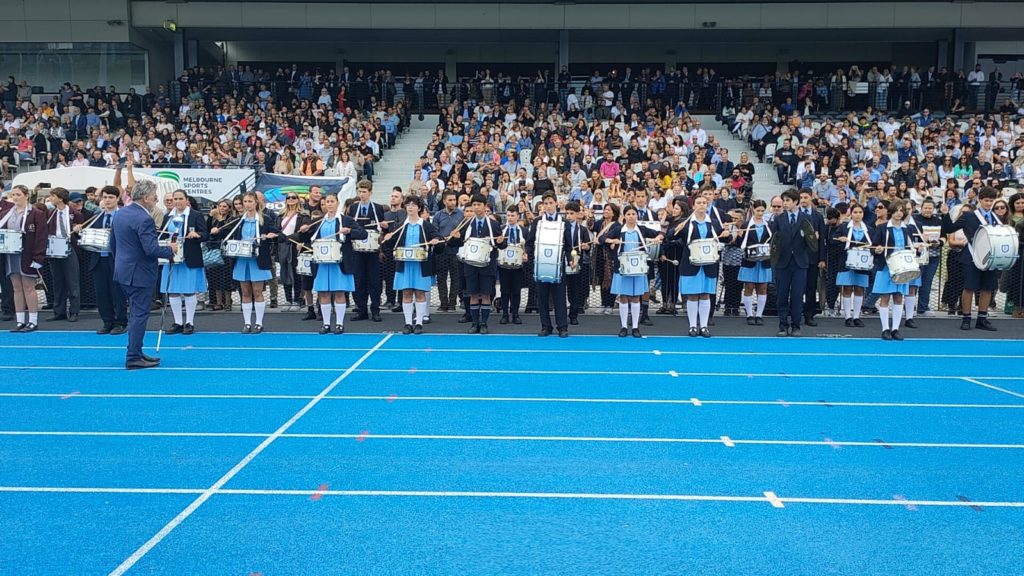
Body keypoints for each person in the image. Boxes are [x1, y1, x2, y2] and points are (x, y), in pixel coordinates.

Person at [109, 180, 176, 369]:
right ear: (146, 197)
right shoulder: (144, 219)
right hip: (139, 274)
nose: (156, 198)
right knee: (139, 315)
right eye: (154, 195)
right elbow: (151, 249)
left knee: (136, 314)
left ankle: (136, 352)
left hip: (123, 271)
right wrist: (170, 249)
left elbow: (112, 244)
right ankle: (133, 356)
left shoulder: (120, 214)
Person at [298, 192, 365, 334]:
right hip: (322, 263)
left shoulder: (346, 220)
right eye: (327, 202)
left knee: (339, 293)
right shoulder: (318, 221)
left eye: (332, 201)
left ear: (337, 203)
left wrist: (349, 231)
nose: (329, 204)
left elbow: (362, 233)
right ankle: (326, 323)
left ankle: (339, 324)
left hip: (339, 263)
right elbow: (305, 237)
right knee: (323, 293)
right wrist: (303, 231)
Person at [941, 186, 1002, 331]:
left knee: (987, 288)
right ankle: (966, 318)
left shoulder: (995, 218)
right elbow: (950, 228)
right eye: (986, 200)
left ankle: (982, 318)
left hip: (989, 258)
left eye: (991, 201)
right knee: (969, 287)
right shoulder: (969, 216)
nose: (989, 204)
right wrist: (945, 214)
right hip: (972, 256)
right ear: (980, 200)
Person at [220, 192, 280, 333]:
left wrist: (272, 235)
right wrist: (217, 230)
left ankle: (259, 323)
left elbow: (279, 234)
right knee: (245, 292)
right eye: (245, 201)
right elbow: (225, 232)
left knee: (258, 292)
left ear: (256, 202)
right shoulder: (238, 220)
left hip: (257, 260)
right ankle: (247, 323)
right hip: (242, 260)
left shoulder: (265, 219)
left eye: (250, 201)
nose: (247, 204)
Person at [600, 204, 662, 337]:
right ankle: (623, 327)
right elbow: (601, 239)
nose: (631, 217)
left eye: (633, 214)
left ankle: (635, 327)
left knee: (635, 297)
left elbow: (661, 233)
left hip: (638, 267)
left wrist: (658, 238)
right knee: (623, 297)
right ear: (624, 216)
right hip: (622, 267)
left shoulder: (642, 229)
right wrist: (611, 240)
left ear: (637, 216)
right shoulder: (618, 230)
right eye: (628, 214)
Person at [384, 195, 440, 334]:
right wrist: (388, 238)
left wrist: (436, 240)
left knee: (420, 293)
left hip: (421, 265)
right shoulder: (401, 226)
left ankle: (419, 323)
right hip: (405, 264)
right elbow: (391, 244)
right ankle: (408, 323)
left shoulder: (426, 225)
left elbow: (439, 239)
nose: (410, 207)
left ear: (419, 208)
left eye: (413, 205)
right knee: (406, 292)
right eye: (408, 205)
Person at [671, 196, 726, 337]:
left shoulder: (713, 222)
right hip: (691, 264)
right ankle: (692, 326)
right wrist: (676, 229)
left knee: (705, 294)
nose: (702, 205)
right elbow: (670, 236)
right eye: (699, 203)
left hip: (709, 265)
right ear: (693, 205)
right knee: (693, 295)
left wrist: (726, 234)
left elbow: (725, 238)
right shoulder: (686, 222)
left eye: (704, 203)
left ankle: (704, 326)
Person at [451, 193, 505, 334]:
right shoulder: (467, 224)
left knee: (486, 294)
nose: (476, 207)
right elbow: (459, 242)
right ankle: (475, 323)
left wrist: (501, 242)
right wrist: (455, 237)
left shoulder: (493, 224)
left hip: (487, 265)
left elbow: (501, 244)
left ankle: (484, 323)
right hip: (470, 265)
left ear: (484, 206)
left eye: (479, 205)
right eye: (474, 205)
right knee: (473, 294)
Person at [158, 190, 209, 335]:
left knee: (188, 290)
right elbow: (163, 234)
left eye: (180, 198)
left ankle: (189, 322)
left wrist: (197, 234)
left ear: (186, 200)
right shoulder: (168, 216)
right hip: (172, 257)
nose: (177, 201)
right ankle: (178, 322)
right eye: (175, 199)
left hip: (189, 257)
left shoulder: (195, 215)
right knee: (173, 291)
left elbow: (205, 234)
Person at [768, 189, 816, 337]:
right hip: (782, 262)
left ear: (795, 202)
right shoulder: (779, 219)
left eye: (788, 200)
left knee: (797, 295)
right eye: (784, 201)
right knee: (782, 295)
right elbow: (773, 239)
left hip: (800, 263)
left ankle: (796, 325)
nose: (785, 203)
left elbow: (811, 240)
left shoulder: (806, 218)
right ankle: (783, 325)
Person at [80, 186, 127, 334]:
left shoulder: (123, 217)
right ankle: (107, 321)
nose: (107, 200)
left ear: (117, 199)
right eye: (105, 197)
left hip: (117, 260)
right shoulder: (97, 216)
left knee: (117, 293)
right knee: (101, 293)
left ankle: (120, 322)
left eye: (111, 197)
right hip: (99, 259)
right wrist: (80, 231)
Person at [1, 185, 47, 332]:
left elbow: (41, 237)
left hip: (28, 255)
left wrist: (39, 257)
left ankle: (33, 320)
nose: (15, 197)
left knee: (29, 287)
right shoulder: (6, 213)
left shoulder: (36, 213)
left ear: (26, 196)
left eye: (18, 194)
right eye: (13, 195)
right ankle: (20, 320)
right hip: (11, 255)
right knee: (16, 288)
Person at [525, 193, 570, 337]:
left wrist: (570, 258)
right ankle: (546, 326)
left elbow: (568, 245)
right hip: (541, 264)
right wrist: (526, 252)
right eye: (545, 203)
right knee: (542, 297)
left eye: (551, 202)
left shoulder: (564, 222)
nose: (548, 206)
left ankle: (562, 327)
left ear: (556, 203)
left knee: (559, 297)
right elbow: (530, 242)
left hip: (558, 265)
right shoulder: (537, 222)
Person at [346, 180, 389, 322]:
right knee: (359, 281)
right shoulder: (353, 208)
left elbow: (382, 228)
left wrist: (384, 226)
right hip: (357, 250)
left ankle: (375, 310)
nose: (362, 194)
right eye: (360, 191)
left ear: (370, 193)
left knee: (374, 281)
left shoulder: (377, 208)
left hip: (373, 251)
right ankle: (362, 310)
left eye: (364, 192)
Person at [871, 200, 913, 340]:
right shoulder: (882, 228)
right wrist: (877, 250)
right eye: (896, 210)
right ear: (891, 212)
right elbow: (873, 247)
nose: (899, 213)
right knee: (885, 297)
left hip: (902, 267)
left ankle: (895, 329)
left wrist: (917, 249)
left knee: (898, 297)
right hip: (886, 266)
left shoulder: (907, 229)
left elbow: (910, 246)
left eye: (901, 211)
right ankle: (885, 329)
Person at [46, 187, 84, 322]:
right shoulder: (51, 213)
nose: (50, 198)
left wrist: (78, 230)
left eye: (53, 196)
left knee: (72, 282)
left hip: (69, 247)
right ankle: (59, 311)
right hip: (54, 248)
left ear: (61, 198)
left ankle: (74, 311)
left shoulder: (74, 213)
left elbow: (82, 233)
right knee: (58, 282)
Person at [832, 203, 872, 327]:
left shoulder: (869, 229)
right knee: (847, 288)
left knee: (860, 288)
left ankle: (857, 316)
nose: (858, 215)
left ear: (863, 214)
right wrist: (840, 240)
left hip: (863, 263)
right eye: (855, 212)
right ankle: (848, 316)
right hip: (847, 261)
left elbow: (874, 243)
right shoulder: (844, 227)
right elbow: (833, 240)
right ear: (851, 213)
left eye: (860, 212)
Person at [735, 199, 773, 325]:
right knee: (749, 287)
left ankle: (759, 315)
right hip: (749, 261)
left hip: (764, 261)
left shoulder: (768, 225)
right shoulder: (746, 225)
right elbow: (740, 244)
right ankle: (749, 314)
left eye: (762, 211)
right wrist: (739, 236)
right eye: (758, 210)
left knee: (763, 288)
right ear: (753, 210)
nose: (760, 213)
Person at [797, 189, 827, 326]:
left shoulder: (818, 216)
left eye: (806, 197)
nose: (803, 200)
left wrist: (822, 258)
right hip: (797, 257)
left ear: (811, 198)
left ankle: (809, 315)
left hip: (813, 258)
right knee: (797, 287)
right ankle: (796, 313)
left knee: (811, 287)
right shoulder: (794, 214)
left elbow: (822, 239)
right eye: (801, 197)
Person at [432, 190, 463, 312]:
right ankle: (443, 303)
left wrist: (458, 236)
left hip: (455, 250)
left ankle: (452, 303)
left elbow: (463, 233)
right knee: (441, 278)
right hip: (441, 250)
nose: (453, 202)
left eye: (454, 200)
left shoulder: (461, 215)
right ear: (444, 201)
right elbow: (434, 232)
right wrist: (441, 239)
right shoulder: (438, 215)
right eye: (450, 200)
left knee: (455, 278)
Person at [563, 201, 592, 326]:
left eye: (571, 213)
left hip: (577, 262)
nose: (569, 216)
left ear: (577, 214)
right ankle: (562, 314)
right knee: (561, 290)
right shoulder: (562, 227)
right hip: (562, 260)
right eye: (567, 213)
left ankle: (573, 315)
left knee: (574, 290)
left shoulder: (583, 230)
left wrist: (586, 247)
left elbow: (588, 245)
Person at [498, 205, 527, 325]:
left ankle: (515, 314)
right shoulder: (501, 230)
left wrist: (526, 254)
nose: (510, 218)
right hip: (503, 265)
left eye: (512, 215)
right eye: (508, 215)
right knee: (504, 290)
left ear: (517, 216)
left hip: (518, 266)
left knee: (516, 291)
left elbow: (528, 246)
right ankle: (505, 314)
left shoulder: (523, 231)